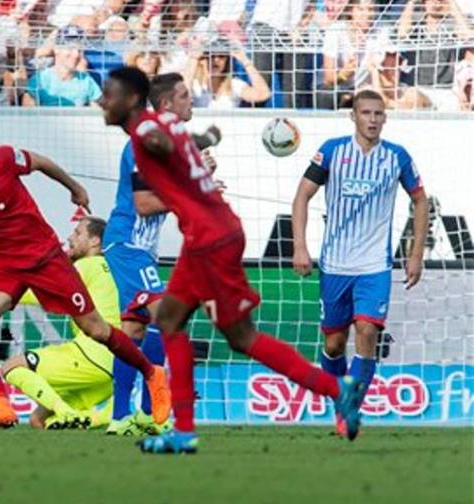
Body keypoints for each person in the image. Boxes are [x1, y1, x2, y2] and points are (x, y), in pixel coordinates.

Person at [98, 67, 368, 453]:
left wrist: (188, 188)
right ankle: (182, 429)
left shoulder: (144, 134)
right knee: (172, 321)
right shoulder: (170, 131)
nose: (101, 102)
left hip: (209, 238)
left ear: (131, 99)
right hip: (211, 234)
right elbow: (187, 157)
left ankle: (336, 388)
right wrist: (205, 148)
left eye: (109, 94)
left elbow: (143, 204)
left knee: (237, 336)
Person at [0, 129, 169, 429]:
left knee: (97, 329)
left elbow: (40, 162)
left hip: (44, 258)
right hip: (2, 265)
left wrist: (73, 187)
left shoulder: (0, 159)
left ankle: (153, 374)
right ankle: (0, 403)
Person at [291, 89, 428, 436]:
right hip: (336, 264)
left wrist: (415, 254)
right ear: (353, 116)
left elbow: (421, 202)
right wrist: (300, 246)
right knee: (334, 344)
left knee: (366, 332)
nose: (372, 119)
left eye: (378, 114)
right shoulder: (333, 151)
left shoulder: (397, 157)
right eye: (366, 113)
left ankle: (349, 410)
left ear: (385, 118)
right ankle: (340, 399)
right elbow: (302, 196)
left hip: (374, 266)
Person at [103, 71, 221, 437]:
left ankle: (123, 416)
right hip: (127, 244)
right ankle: (153, 408)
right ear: (167, 104)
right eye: (185, 96)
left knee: (134, 330)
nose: (191, 101)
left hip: (141, 250)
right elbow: (143, 204)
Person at [1, 216, 118, 430]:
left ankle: (72, 413)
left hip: (90, 356)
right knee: (40, 420)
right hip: (114, 369)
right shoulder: (114, 269)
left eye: (77, 233)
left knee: (11, 367)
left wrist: (2, 292)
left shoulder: (87, 265)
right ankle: (92, 422)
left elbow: (47, 294)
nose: (70, 237)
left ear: (95, 242)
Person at [21, 25, 102, 107]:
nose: (76, 54)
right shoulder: (40, 80)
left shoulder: (87, 82)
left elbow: (99, 114)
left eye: (79, 50)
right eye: (70, 48)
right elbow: (27, 115)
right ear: (57, 49)